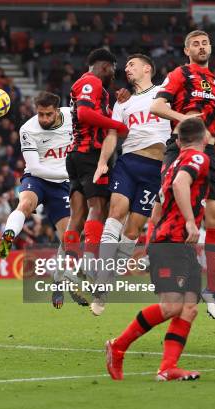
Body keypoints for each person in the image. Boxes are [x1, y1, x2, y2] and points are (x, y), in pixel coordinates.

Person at [106, 117, 210, 382]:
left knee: (189, 308)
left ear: (178, 140)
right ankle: (118, 346)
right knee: (171, 306)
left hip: (172, 242)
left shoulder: (170, 164)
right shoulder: (196, 159)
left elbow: (157, 208)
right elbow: (180, 185)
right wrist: (189, 220)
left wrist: (153, 236)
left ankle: (167, 367)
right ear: (205, 137)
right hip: (172, 242)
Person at [150, 30, 215, 320]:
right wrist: (188, 121)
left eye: (205, 42)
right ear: (187, 50)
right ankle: (161, 269)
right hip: (179, 147)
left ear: (211, 46)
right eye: (195, 43)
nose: (201, 46)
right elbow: (157, 106)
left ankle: (214, 289)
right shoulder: (180, 74)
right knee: (167, 210)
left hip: (209, 154)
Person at [90, 54, 171, 315]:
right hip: (128, 163)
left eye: (132, 64)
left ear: (147, 68)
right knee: (116, 213)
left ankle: (110, 279)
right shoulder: (123, 103)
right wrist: (103, 161)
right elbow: (113, 134)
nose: (127, 68)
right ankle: (102, 282)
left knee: (134, 230)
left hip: (156, 169)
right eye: (125, 66)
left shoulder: (164, 92)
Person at [0, 91, 86, 307]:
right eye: (40, 114)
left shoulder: (73, 116)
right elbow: (35, 167)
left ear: (57, 110)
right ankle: (8, 236)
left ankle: (58, 283)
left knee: (68, 238)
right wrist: (72, 175)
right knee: (25, 203)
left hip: (63, 186)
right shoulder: (28, 129)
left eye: (48, 114)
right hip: (38, 178)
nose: (44, 119)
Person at [64, 48, 129, 313]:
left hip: (75, 155)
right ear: (104, 65)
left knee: (77, 215)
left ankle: (69, 266)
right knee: (97, 209)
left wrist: (116, 103)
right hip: (90, 155)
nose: (115, 73)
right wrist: (119, 127)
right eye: (114, 68)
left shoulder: (89, 86)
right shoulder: (91, 81)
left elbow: (93, 113)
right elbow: (85, 114)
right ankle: (90, 264)